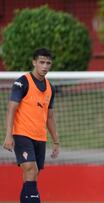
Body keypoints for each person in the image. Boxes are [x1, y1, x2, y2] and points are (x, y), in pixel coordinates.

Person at [2, 48, 60, 203]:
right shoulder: (22, 82)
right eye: (41, 62)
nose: (45, 66)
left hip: (40, 137)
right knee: (30, 170)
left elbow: (50, 116)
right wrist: (8, 134)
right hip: (22, 134)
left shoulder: (50, 88)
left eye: (48, 63)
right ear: (34, 62)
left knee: (32, 176)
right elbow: (11, 109)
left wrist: (56, 141)